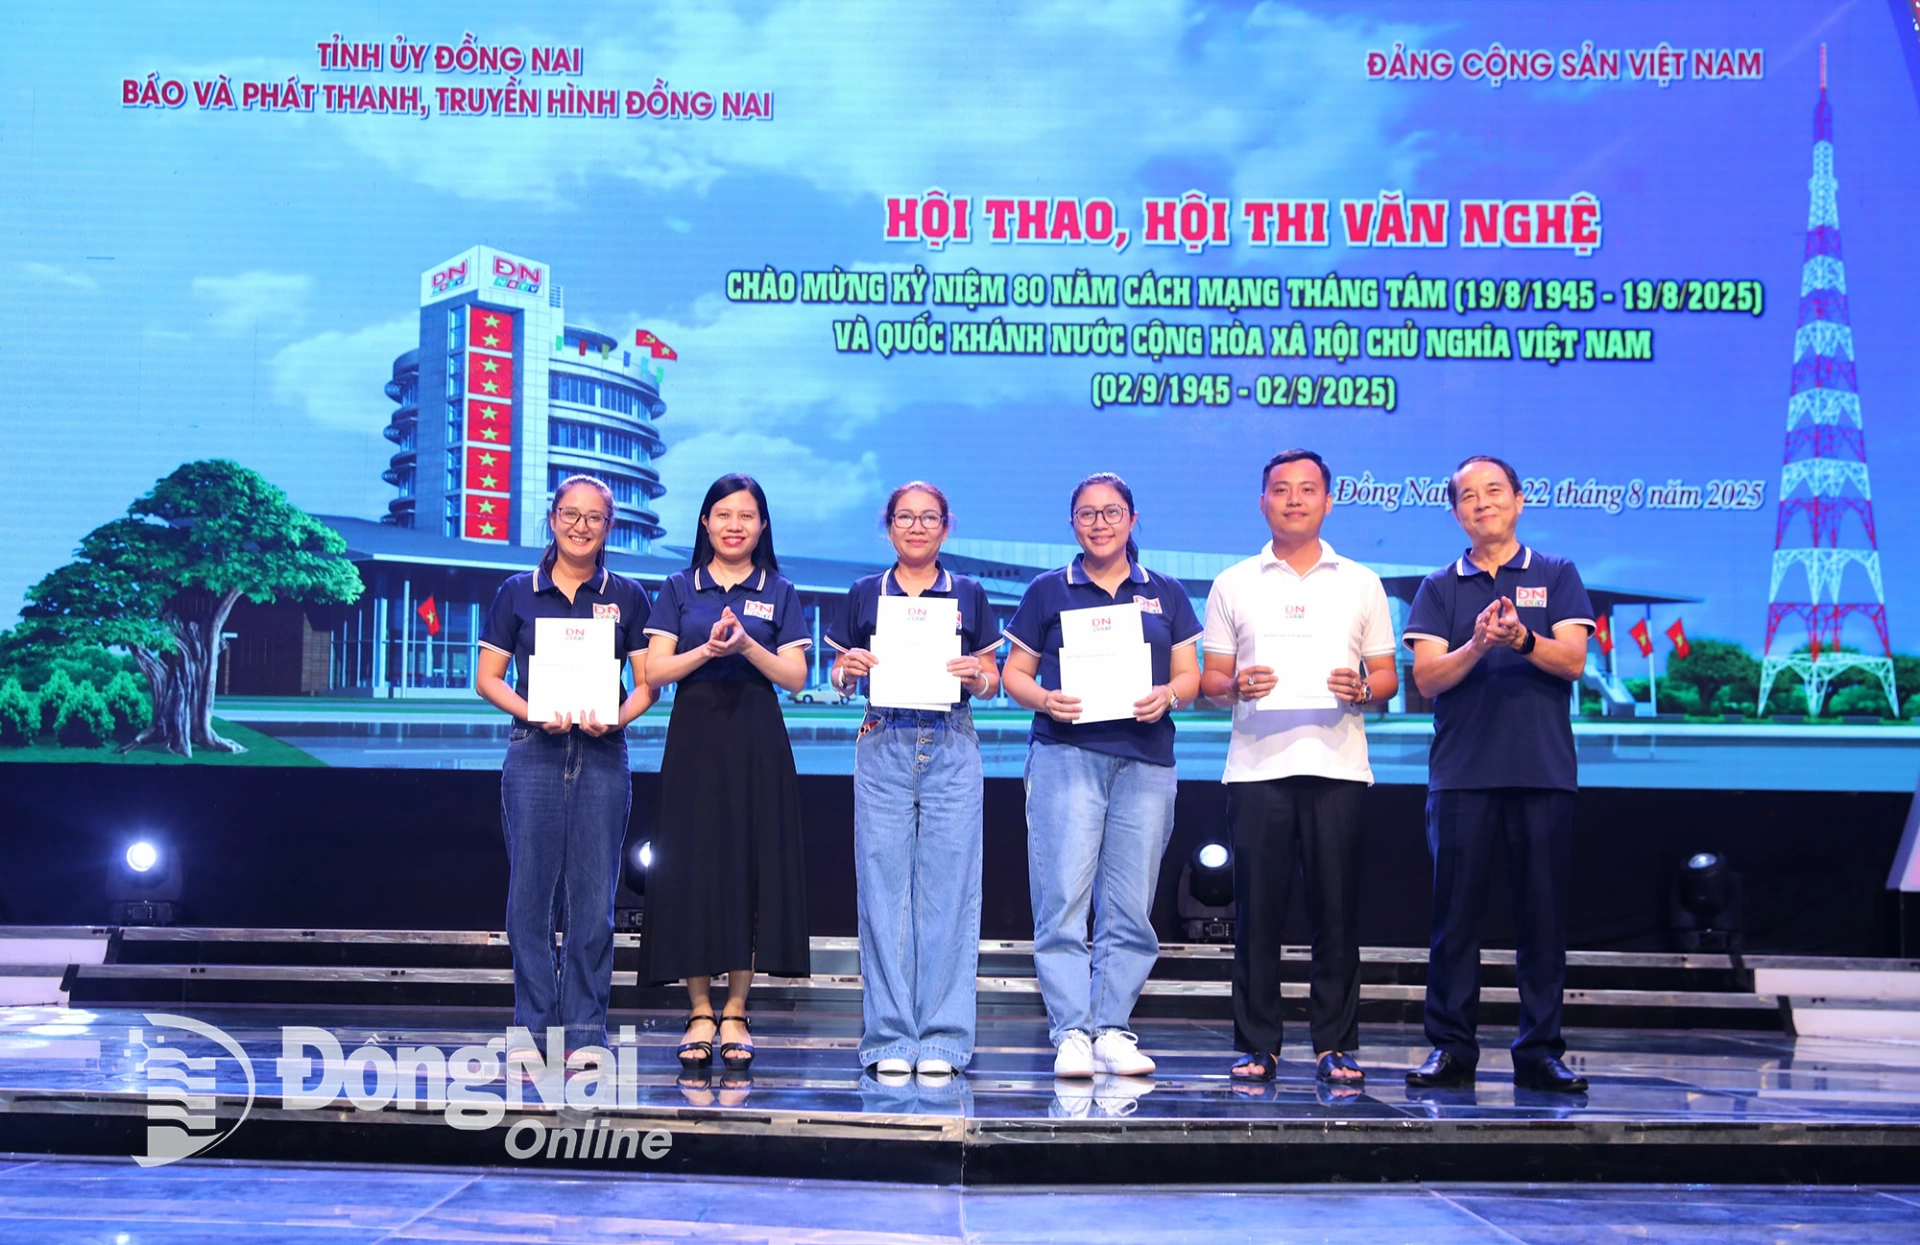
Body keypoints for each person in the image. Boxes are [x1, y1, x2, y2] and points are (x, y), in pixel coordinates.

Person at [1198, 449, 1399, 1086]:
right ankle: (1258, 1043)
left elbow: (1389, 676)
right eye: (1280, 490)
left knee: (1335, 912)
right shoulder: (1233, 581)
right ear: (1262, 502)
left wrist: (1364, 689)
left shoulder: (1362, 582)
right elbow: (1210, 679)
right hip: (1257, 768)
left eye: (1306, 489)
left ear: (1328, 501)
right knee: (1257, 913)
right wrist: (1237, 686)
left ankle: (1335, 1042)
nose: (1293, 499)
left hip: (1338, 766)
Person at [1402, 455, 1595, 1093]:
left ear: (1519, 499)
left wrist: (1523, 641)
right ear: (1455, 511)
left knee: (1541, 918)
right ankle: (1452, 1048)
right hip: (1461, 776)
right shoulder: (1439, 587)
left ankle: (1539, 1050)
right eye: (1467, 496)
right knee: (1454, 920)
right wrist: (1480, 644)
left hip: (1542, 772)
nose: (1482, 504)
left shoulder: (1556, 574)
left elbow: (1572, 662)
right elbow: (1427, 678)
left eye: (1494, 492)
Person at [1002, 472, 1203, 1079]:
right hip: (1065, 755)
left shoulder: (1165, 592)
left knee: (1130, 904)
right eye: (1086, 514)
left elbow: (1190, 678)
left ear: (1133, 519)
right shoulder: (1047, 590)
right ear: (1072, 524)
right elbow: (1014, 675)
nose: (1099, 523)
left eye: (1111, 512)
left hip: (1145, 761)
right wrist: (1045, 700)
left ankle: (1112, 1027)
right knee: (1062, 897)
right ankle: (1070, 1031)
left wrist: (1167, 693)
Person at [475, 475, 656, 1058]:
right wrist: (535, 711)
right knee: (528, 899)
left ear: (609, 526)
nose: (581, 526)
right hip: (534, 750)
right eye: (569, 514)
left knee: (593, 902)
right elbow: (487, 679)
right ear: (552, 519)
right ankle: (532, 1028)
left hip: (603, 753)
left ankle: (582, 1032)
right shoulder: (515, 592)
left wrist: (618, 717)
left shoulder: (628, 595)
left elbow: (649, 684)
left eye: (594, 517)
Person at [640, 474, 813, 1073]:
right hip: (694, 740)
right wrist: (707, 652)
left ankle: (736, 1008)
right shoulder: (677, 587)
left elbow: (794, 678)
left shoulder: (780, 590)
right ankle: (697, 1008)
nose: (734, 525)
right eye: (723, 514)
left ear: (762, 526)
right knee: (691, 869)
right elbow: (655, 674)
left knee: (747, 867)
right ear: (705, 524)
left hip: (756, 741)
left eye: (747, 515)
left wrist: (744, 647)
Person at [827, 482, 1000, 1081]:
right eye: (906, 517)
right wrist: (845, 673)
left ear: (946, 528)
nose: (918, 527)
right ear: (889, 526)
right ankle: (890, 1036)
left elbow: (993, 677)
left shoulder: (969, 594)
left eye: (930, 518)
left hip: (951, 740)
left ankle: (946, 1038)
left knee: (950, 893)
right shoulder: (863, 593)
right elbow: (841, 674)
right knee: (883, 892)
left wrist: (979, 675)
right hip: (884, 738)